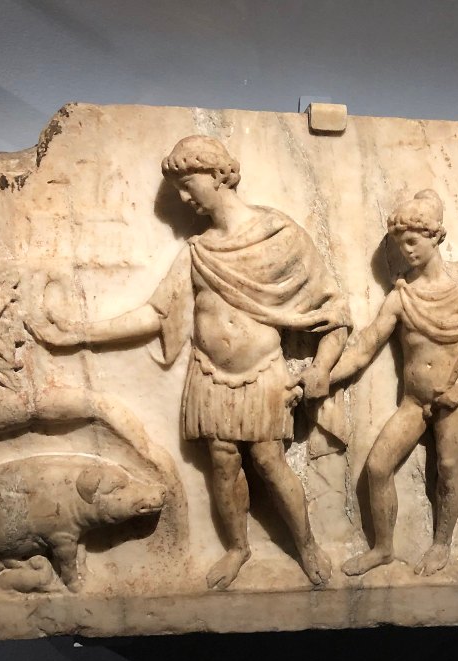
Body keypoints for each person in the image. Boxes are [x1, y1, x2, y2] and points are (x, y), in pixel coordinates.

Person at [30, 135, 350, 589]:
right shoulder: (199, 252)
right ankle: (237, 549)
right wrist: (79, 331)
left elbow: (334, 313)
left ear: (218, 175)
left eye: (187, 183)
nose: (183, 197)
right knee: (222, 462)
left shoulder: (279, 236)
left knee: (269, 461)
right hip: (209, 375)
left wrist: (321, 369)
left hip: (262, 371)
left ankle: (307, 546)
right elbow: (157, 314)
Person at [329, 190, 458, 577]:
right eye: (399, 243)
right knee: (378, 467)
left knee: (448, 466)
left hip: (453, 399)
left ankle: (442, 544)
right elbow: (365, 346)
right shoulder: (401, 297)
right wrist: (323, 377)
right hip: (414, 401)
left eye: (412, 241)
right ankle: (383, 548)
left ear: (436, 236)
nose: (406, 250)